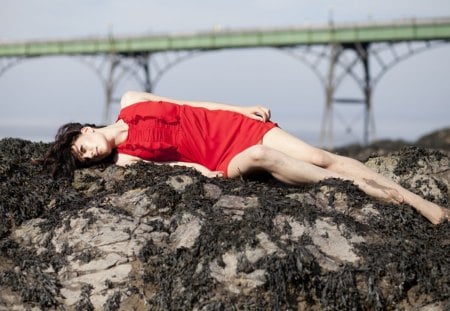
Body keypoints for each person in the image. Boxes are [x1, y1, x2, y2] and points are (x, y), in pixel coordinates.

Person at [43, 90, 449, 225]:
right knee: (265, 158)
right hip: (223, 159)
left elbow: (189, 104)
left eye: (84, 146)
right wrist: (204, 173)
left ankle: (417, 200)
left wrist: (240, 110)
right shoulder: (125, 160)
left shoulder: (131, 100)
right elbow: (175, 168)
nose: (92, 154)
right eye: (86, 159)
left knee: (320, 156)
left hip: (232, 127)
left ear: (85, 129)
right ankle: (383, 194)